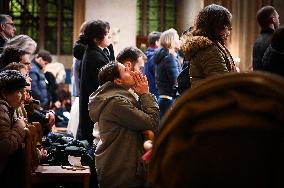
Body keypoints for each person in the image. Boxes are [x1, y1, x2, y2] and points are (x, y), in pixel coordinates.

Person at [89, 61, 159, 188]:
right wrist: (145, 94)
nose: (132, 72)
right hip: (120, 169)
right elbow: (152, 122)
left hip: (119, 164)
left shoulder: (118, 98)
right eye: (126, 71)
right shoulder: (116, 102)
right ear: (118, 81)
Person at [181, 4, 236, 88]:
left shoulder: (207, 46)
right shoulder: (209, 50)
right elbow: (222, 83)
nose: (228, 29)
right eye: (226, 25)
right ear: (217, 26)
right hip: (212, 98)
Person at [78, 20, 112, 144]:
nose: (110, 37)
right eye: (107, 34)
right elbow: (106, 82)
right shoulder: (95, 56)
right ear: (97, 39)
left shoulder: (95, 52)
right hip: (94, 105)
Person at [0, 70, 29, 188]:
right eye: (19, 91)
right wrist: (20, 126)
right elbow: (5, 146)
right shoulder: (1, 109)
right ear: (4, 93)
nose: (23, 96)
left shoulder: (9, 107)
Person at [154, 28, 181, 117]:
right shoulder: (170, 58)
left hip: (164, 99)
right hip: (168, 101)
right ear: (171, 41)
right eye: (177, 38)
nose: (179, 40)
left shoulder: (164, 56)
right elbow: (177, 81)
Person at [253, 6, 280, 71]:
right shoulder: (276, 40)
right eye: (278, 18)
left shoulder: (257, 42)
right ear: (273, 20)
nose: (279, 21)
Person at [143, 31, 161, 99]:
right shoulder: (155, 57)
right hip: (156, 95)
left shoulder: (145, 55)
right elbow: (158, 77)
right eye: (162, 42)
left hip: (149, 93)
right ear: (157, 42)